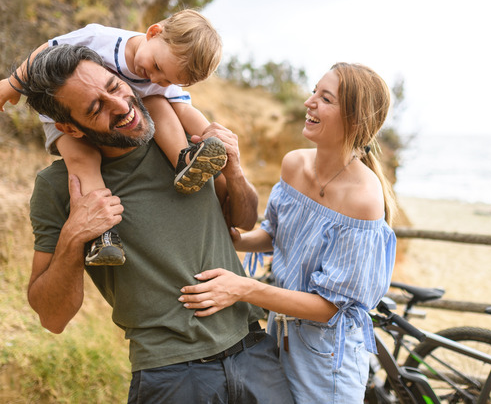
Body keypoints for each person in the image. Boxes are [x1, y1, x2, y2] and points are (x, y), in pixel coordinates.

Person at [19, 44, 293, 403]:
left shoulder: (184, 143)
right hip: (171, 377)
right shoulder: (59, 188)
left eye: (114, 87)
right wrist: (74, 237)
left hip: (255, 354)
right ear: (69, 127)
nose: (119, 105)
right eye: (95, 108)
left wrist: (236, 170)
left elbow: (240, 220)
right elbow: (52, 318)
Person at [179, 63, 398, 403]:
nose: (310, 102)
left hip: (327, 362)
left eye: (325, 98)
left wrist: (243, 288)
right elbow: (273, 234)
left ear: (355, 120)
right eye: (314, 91)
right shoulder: (294, 164)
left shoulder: (364, 199)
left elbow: (329, 307)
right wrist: (234, 239)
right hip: (278, 336)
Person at [0, 8, 226, 266]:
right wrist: (15, 83)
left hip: (113, 113)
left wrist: (212, 135)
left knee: (160, 101)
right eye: (158, 68)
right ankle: (102, 236)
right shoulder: (99, 38)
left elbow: (184, 109)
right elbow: (48, 48)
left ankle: (183, 160)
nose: (156, 78)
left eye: (168, 79)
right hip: (62, 114)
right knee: (84, 160)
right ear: (153, 32)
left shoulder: (162, 77)